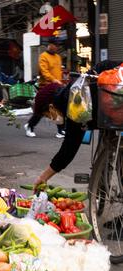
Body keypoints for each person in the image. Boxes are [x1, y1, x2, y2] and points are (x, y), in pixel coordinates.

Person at [33, 60, 122, 190]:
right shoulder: (74, 90)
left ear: (51, 107)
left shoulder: (72, 105)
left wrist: (43, 177)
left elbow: (68, 149)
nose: (52, 119)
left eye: (48, 115)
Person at [25, 38, 65, 139]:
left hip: (57, 88)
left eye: (58, 45)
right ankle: (30, 126)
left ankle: (60, 130)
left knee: (56, 108)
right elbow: (44, 71)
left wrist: (60, 82)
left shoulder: (58, 57)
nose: (57, 47)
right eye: (55, 45)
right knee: (42, 109)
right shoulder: (43, 56)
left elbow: (59, 72)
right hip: (46, 87)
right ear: (50, 45)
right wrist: (53, 80)